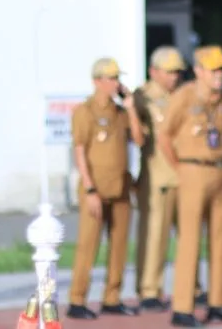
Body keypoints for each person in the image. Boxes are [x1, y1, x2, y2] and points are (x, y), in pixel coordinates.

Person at [160, 46, 222, 327]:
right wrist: (180, 167)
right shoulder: (184, 96)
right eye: (213, 70)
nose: (219, 75)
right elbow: (165, 135)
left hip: (219, 171)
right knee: (190, 241)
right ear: (198, 71)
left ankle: (218, 302)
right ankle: (183, 307)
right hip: (193, 169)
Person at [67, 57, 144, 320]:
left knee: (119, 245)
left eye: (116, 78)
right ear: (97, 81)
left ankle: (112, 297)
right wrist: (89, 189)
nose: (115, 83)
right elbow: (79, 151)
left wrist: (131, 106)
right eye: (110, 79)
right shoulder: (85, 112)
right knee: (88, 245)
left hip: (121, 186)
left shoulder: (120, 112)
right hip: (96, 188)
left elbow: (138, 138)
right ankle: (77, 299)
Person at [134, 46, 191, 312]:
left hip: (186, 174)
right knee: (154, 235)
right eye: (168, 72)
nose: (174, 77)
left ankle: (192, 287)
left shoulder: (185, 95)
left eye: (178, 72)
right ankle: (149, 289)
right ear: (153, 71)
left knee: (188, 236)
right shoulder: (143, 97)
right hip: (157, 175)